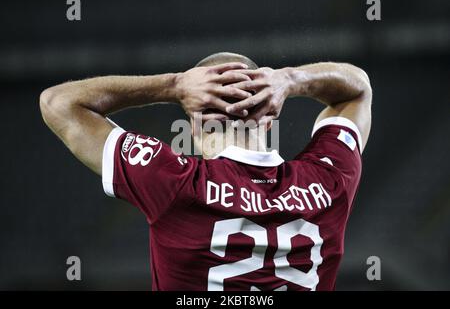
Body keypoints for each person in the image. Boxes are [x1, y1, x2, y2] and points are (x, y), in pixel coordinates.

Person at [40, 52, 372, 290]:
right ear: (270, 118)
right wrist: (290, 79)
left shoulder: (174, 184)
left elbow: (58, 102)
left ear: (195, 126)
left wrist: (173, 86)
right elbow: (358, 89)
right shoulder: (328, 182)